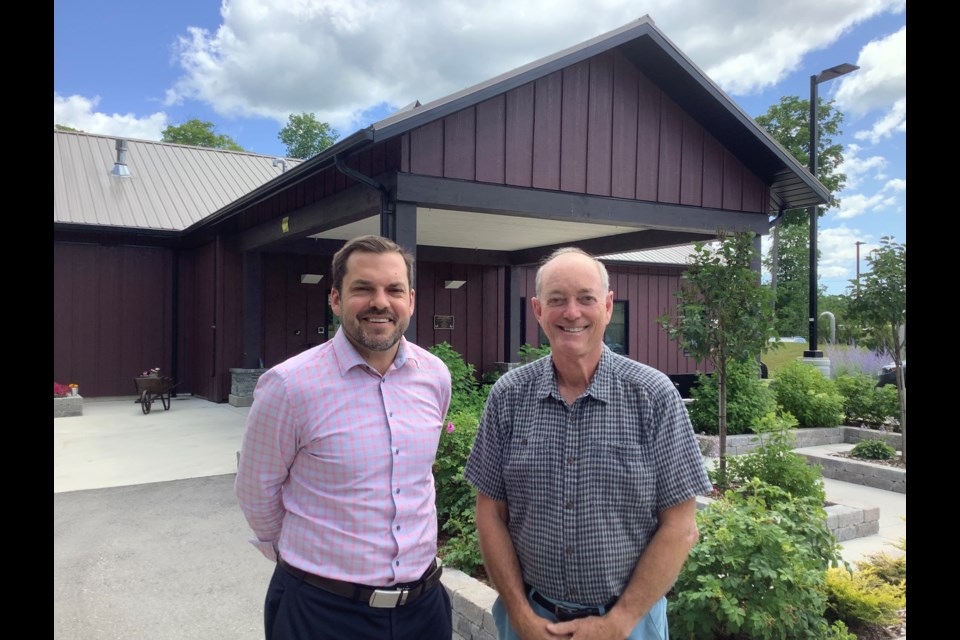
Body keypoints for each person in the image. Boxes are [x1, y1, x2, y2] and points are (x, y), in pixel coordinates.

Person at [465, 247, 711, 640]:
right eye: (557, 300)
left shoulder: (653, 395)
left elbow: (680, 526)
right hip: (530, 619)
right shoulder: (508, 396)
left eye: (586, 298)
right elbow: (490, 514)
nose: (572, 312)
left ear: (609, 306)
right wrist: (521, 616)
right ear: (538, 310)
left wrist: (619, 622)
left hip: (631, 624)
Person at [235, 235, 453, 640]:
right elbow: (256, 491)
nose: (380, 302)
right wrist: (303, 562)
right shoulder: (289, 386)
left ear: (412, 299)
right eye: (363, 289)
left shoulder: (435, 376)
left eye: (394, 290)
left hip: (423, 611)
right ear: (335, 299)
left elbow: (418, 476)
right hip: (321, 613)